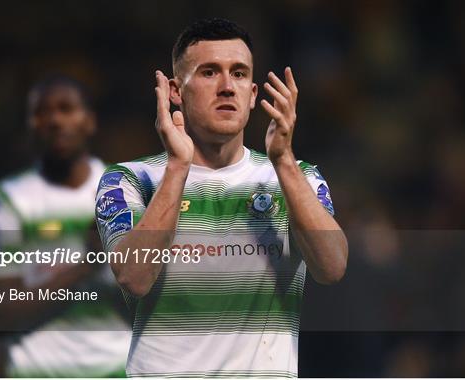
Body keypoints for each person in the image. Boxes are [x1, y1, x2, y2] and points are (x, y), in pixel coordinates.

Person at [96, 18, 348, 377]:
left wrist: (284, 161)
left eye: (240, 73)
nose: (228, 87)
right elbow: (134, 277)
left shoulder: (298, 176)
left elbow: (332, 267)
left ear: (253, 94)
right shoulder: (129, 179)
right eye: (209, 72)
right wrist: (178, 168)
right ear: (174, 90)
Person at [0, 75, 129, 377]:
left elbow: (156, 313)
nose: (55, 120)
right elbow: (1, 317)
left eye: (66, 108)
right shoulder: (4, 202)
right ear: (30, 125)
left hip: (116, 371)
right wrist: (85, 267)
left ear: (90, 121)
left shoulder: (125, 190)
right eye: (42, 112)